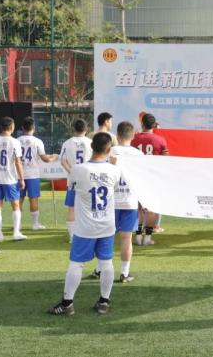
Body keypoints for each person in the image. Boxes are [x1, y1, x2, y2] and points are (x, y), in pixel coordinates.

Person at [47, 133, 121, 315]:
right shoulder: (114, 170)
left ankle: (67, 304)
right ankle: (104, 301)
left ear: (91, 147)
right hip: (106, 225)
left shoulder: (78, 169)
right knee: (106, 263)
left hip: (85, 227)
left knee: (76, 264)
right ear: (109, 150)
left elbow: (73, 189)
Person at [91, 121, 142, 282]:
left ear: (117, 136)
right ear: (133, 136)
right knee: (126, 238)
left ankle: (100, 269)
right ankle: (124, 273)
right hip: (130, 201)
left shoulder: (110, 151)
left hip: (110, 201)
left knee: (106, 236)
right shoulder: (138, 155)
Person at [131, 113, 168, 246]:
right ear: (154, 125)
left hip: (137, 177)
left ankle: (138, 236)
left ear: (142, 124)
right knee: (152, 209)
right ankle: (147, 237)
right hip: (153, 178)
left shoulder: (134, 139)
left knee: (139, 208)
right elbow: (166, 160)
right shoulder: (160, 140)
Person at [18, 117, 58, 230]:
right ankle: (35, 224)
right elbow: (45, 159)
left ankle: (18, 224)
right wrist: (53, 157)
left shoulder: (17, 140)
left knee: (19, 200)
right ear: (34, 128)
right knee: (33, 199)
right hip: (32, 175)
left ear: (22, 128)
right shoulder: (37, 141)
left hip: (19, 175)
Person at [0, 117, 26, 241]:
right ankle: (16, 232)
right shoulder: (14, 142)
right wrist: (21, 178)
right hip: (10, 179)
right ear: (12, 127)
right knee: (16, 205)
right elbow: (18, 162)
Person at [60, 119, 93, 242]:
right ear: (86, 129)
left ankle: (72, 236)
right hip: (88, 179)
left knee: (72, 207)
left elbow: (63, 161)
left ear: (74, 129)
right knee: (89, 206)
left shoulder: (67, 143)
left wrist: (72, 172)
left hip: (73, 180)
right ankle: (88, 233)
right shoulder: (90, 142)